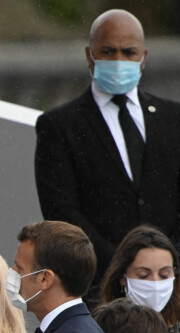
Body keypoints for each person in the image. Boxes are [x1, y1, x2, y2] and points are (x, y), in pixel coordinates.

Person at [35, 9, 180, 299]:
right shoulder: (61, 126)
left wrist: (163, 265)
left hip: (172, 288)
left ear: (143, 57)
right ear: (90, 56)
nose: (118, 60)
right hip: (100, 292)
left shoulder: (173, 119)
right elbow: (62, 212)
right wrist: (121, 266)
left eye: (128, 52)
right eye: (108, 51)